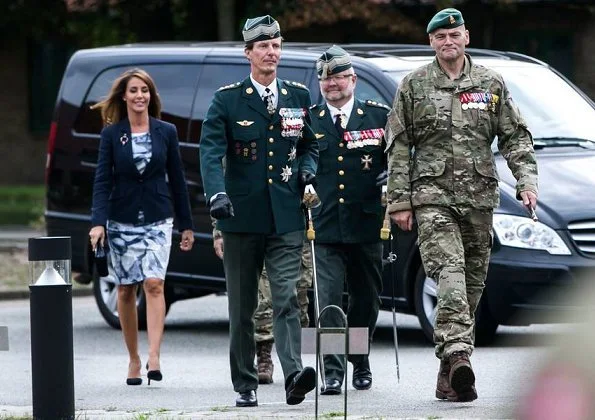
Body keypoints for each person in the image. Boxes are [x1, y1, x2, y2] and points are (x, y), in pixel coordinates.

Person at [385, 8, 538, 402]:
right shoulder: (414, 86)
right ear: (431, 42)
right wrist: (399, 202)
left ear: (466, 37)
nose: (447, 42)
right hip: (432, 198)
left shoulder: (490, 83)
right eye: (440, 37)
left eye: (454, 35)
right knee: (449, 276)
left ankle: (449, 378)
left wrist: (526, 182)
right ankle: (458, 356)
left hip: (479, 199)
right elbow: (398, 147)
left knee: (471, 287)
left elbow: (515, 137)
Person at [199, 15, 319, 407]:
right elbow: (211, 152)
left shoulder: (298, 96)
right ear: (248, 53)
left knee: (288, 298)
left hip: (286, 216)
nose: (272, 52)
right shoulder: (228, 99)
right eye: (263, 46)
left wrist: (307, 174)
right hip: (240, 218)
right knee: (244, 305)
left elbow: (308, 146)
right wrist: (216, 195)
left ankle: (293, 376)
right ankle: (245, 382)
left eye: (277, 45)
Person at [88, 68, 194, 386]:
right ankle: (133, 359)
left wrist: (186, 226)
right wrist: (98, 223)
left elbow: (177, 180)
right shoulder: (111, 134)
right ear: (124, 96)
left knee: (154, 284)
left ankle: (154, 356)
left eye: (144, 90)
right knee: (125, 288)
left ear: (151, 95)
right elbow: (102, 181)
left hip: (158, 219)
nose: (139, 96)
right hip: (121, 221)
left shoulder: (166, 132)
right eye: (133, 90)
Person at [308, 45, 388, 395]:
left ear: (353, 79)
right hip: (323, 225)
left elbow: (397, 161)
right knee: (327, 300)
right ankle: (332, 368)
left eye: (339, 77)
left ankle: (360, 358)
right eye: (326, 79)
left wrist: (392, 182)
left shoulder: (378, 117)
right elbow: (295, 163)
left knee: (366, 299)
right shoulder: (307, 120)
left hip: (366, 223)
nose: (332, 84)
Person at [212, 225, 312, 384]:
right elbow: (222, 201)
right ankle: (263, 356)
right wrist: (218, 232)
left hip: (293, 227)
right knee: (263, 300)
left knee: (296, 300)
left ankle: (304, 367)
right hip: (255, 227)